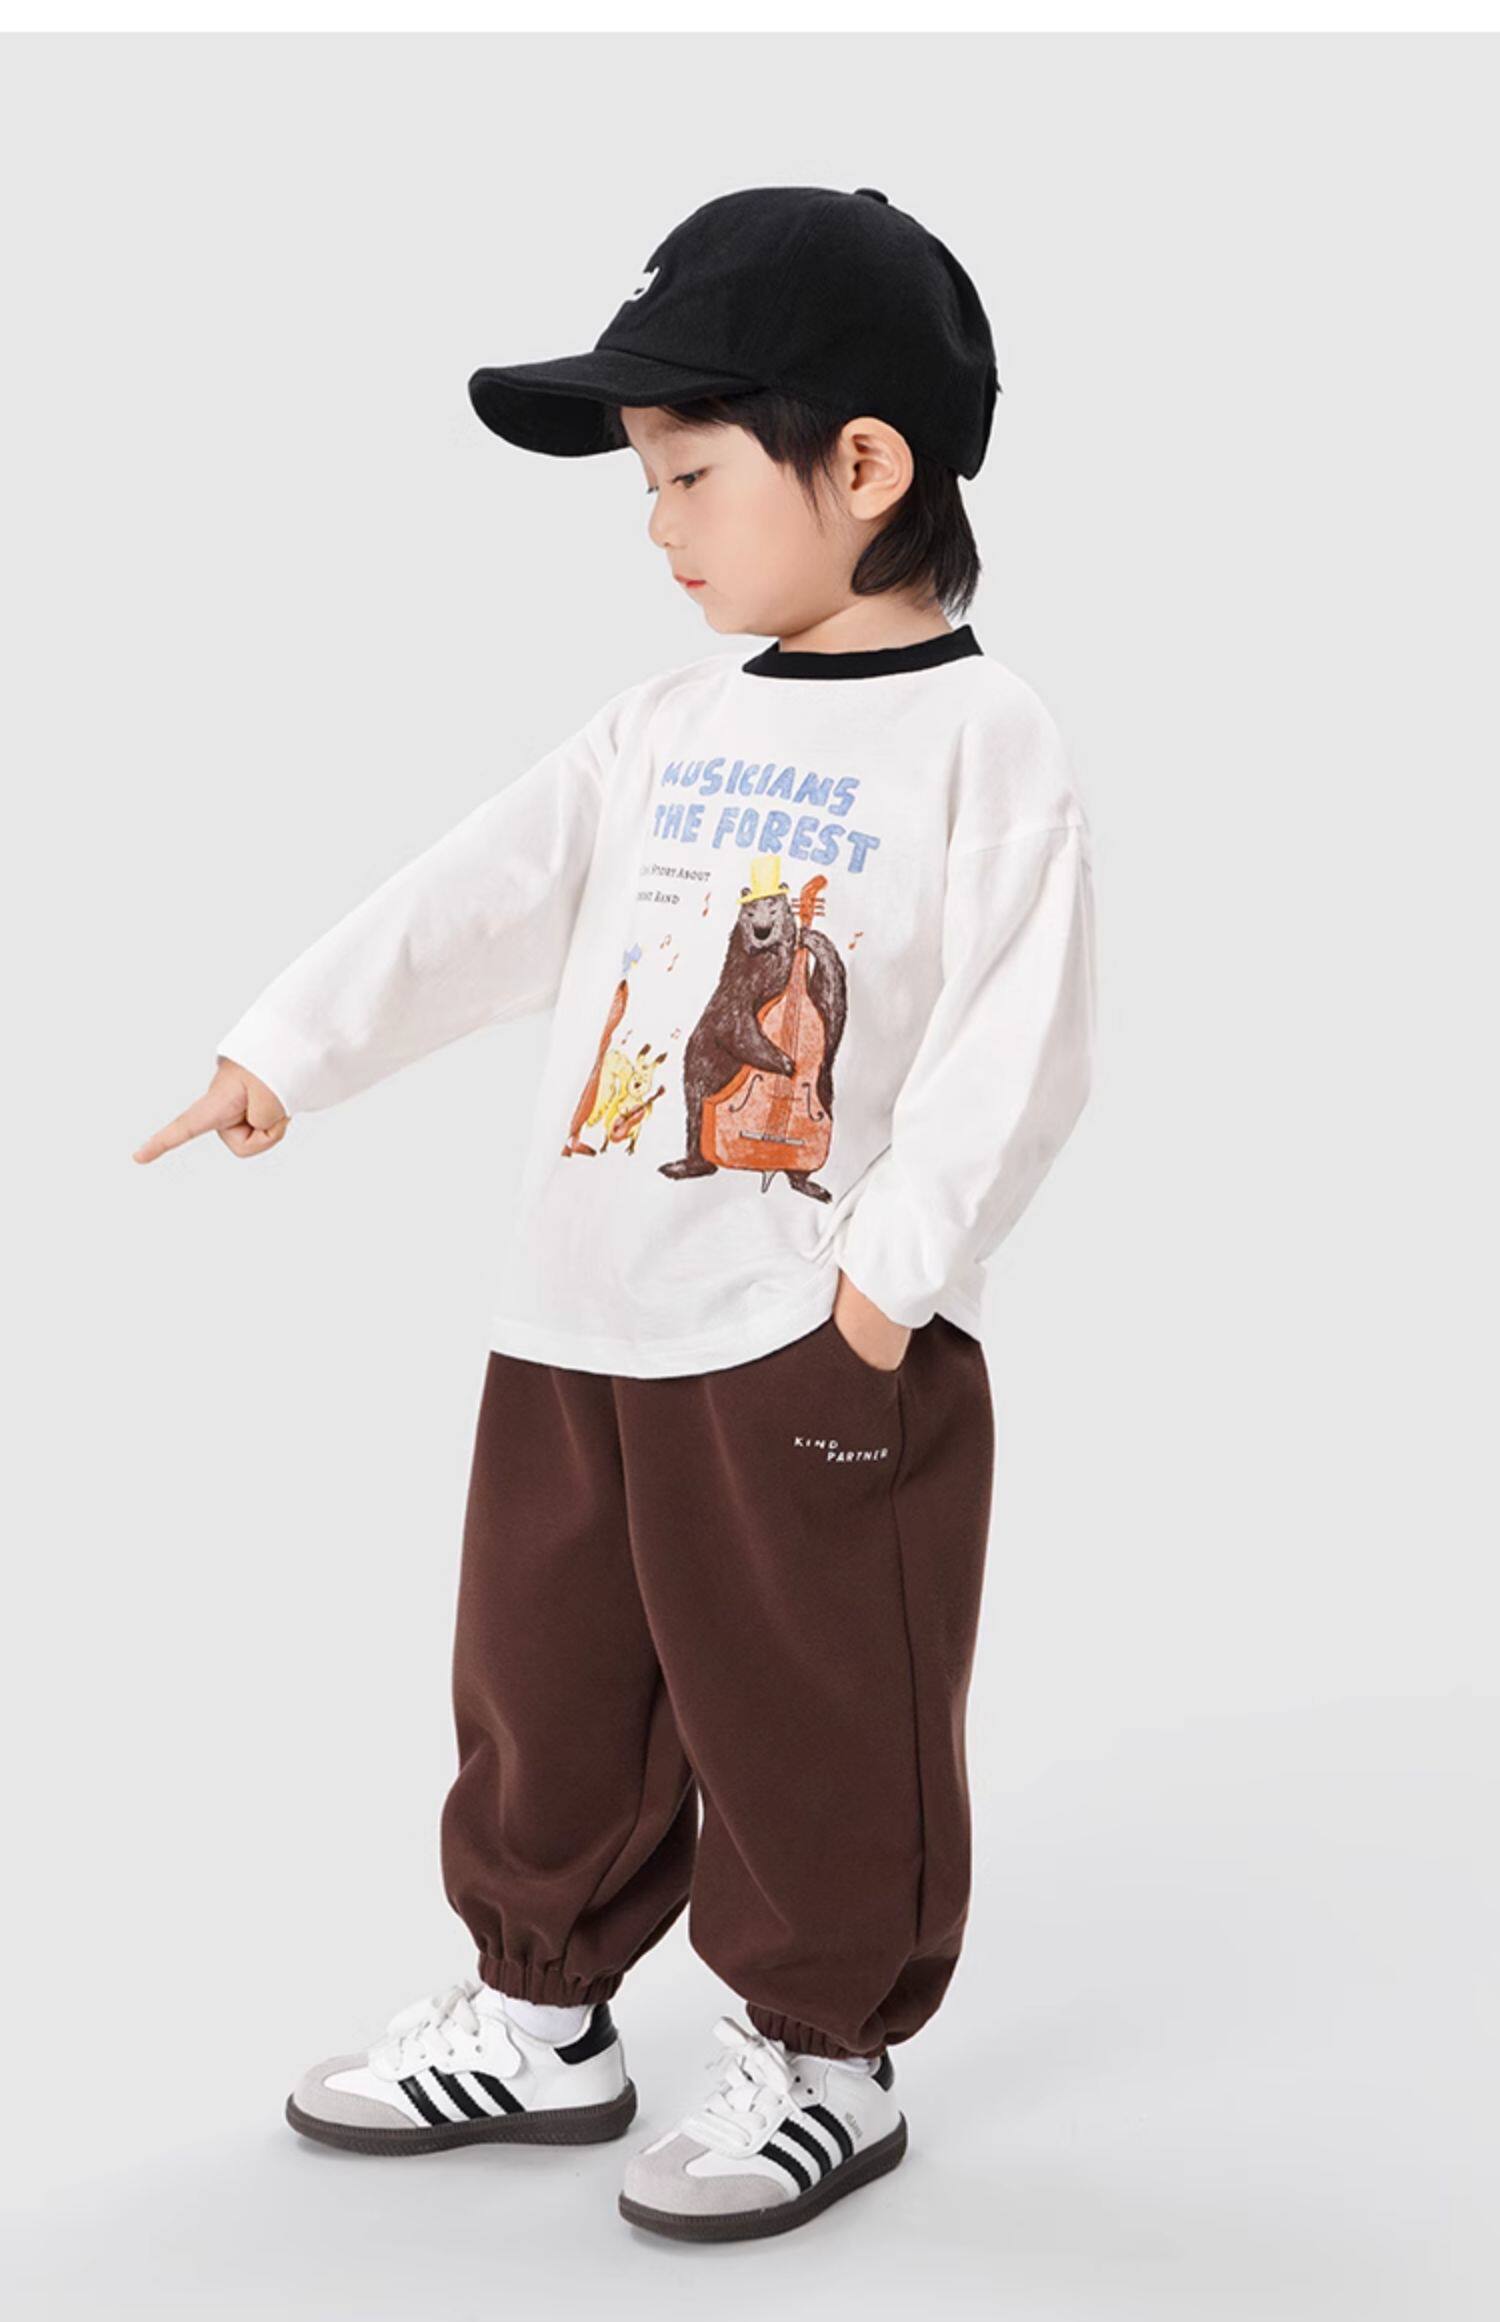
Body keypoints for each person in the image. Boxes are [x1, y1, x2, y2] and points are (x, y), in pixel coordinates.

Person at [134, 183, 1098, 2244]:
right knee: (544, 1677)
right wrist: (287, 1046)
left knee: (813, 1702)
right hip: (577, 1307)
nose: (654, 523)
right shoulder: (669, 724)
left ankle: (825, 2054)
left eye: (687, 473)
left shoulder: (982, 738)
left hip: (801, 1336)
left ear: (864, 466)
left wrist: (882, 1289)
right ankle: (538, 2011)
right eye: (644, 481)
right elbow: (479, 892)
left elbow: (1026, 1041)